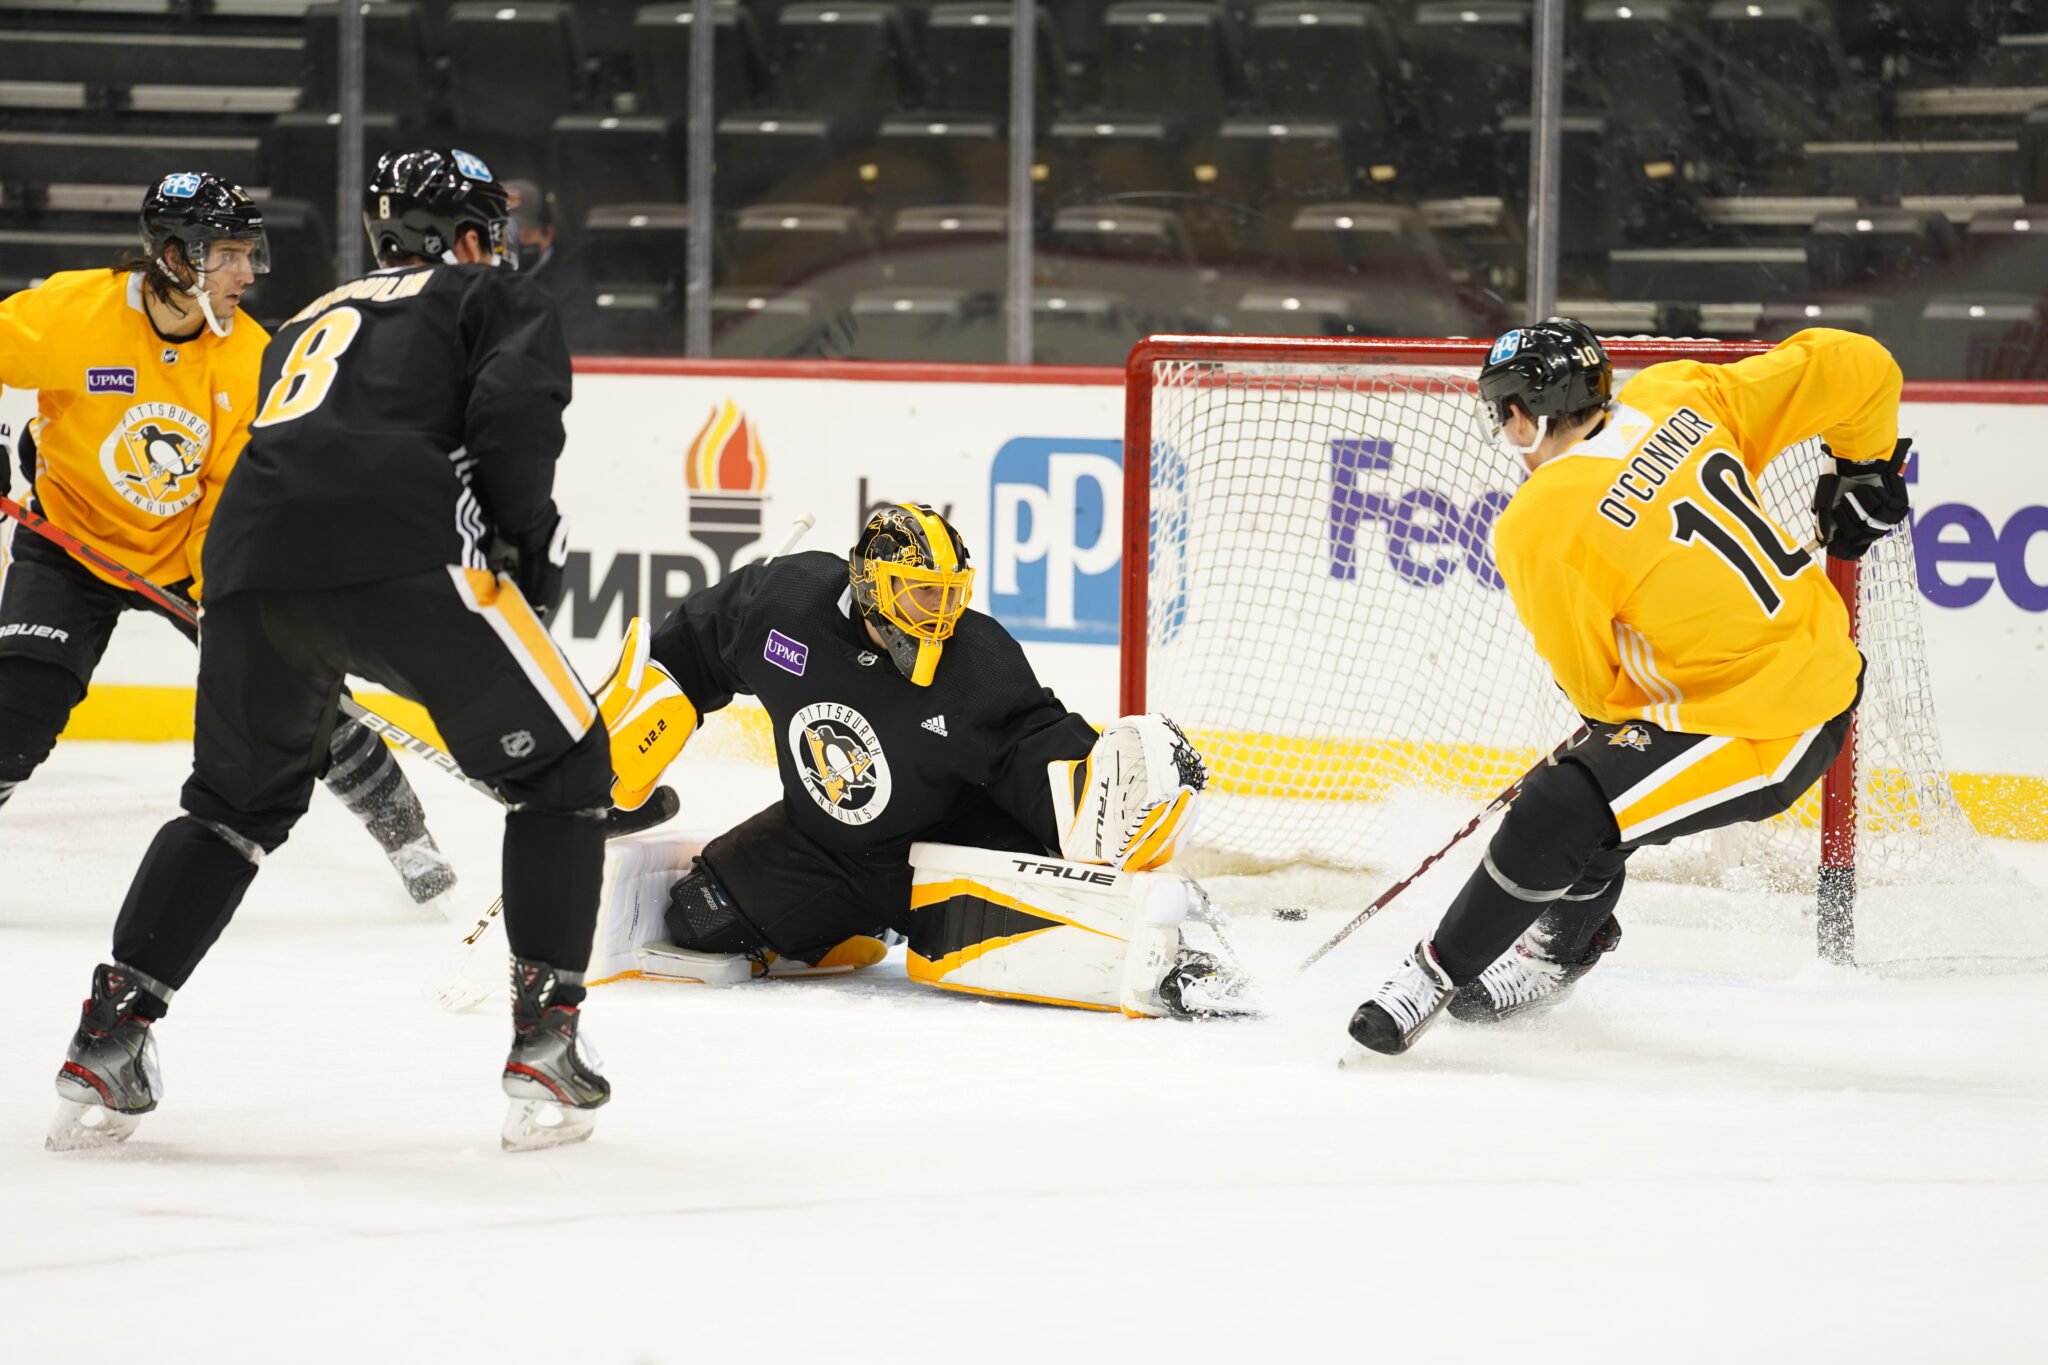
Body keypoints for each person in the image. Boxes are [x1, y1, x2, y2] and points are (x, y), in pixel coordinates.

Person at [46, 148, 614, 1154]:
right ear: (471, 235)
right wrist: (524, 545)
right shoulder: (489, 295)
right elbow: (515, 419)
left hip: (251, 568)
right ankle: (545, 1044)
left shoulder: (306, 318)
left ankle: (112, 1034)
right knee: (569, 772)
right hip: (405, 547)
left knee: (232, 808)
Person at [1346, 319, 1912, 1056]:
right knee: (1595, 790)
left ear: (1519, 415)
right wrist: (1865, 467)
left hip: (1771, 724)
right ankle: (1560, 949)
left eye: (1501, 414)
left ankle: (1432, 975)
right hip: (1802, 665)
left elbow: (1595, 689)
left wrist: (1606, 749)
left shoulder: (1541, 520)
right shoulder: (1678, 393)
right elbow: (1861, 362)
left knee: (1566, 799)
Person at [0, 172, 455, 907]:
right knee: (16, 708)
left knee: (303, 699)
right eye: (231, 253)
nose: (249, 271)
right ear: (177, 259)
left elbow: (231, 505)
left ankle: (407, 833)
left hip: (188, 555)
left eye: (251, 252)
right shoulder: (71, 310)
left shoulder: (253, 360)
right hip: (70, 540)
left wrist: (229, 604)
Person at [586, 502, 1236, 1015]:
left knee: (1075, 936)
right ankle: (851, 926)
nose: (941, 612)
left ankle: (914, 920)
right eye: (922, 592)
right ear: (873, 583)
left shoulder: (975, 659)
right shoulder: (786, 606)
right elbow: (698, 643)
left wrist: (1093, 792)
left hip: (945, 851)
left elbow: (1033, 743)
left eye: (951, 593)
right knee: (697, 916)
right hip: (822, 846)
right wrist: (638, 719)